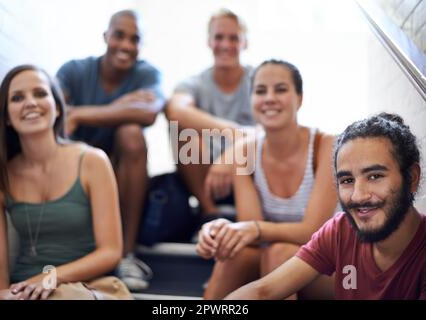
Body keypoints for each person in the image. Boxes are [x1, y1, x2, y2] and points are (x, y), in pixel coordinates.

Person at [225, 113, 426, 300]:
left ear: (411, 178)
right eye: (347, 180)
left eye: (375, 176)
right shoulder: (341, 230)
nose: (358, 195)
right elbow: (263, 291)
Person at [0, 65, 130, 300]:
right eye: (18, 97)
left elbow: (110, 252)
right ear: (6, 117)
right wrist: (2, 295)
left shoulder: (92, 161)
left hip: (91, 288)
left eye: (40, 93)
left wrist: (50, 277)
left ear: (57, 108)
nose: (30, 102)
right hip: (26, 290)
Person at [196, 59, 338, 299]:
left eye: (280, 89)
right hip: (272, 263)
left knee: (280, 253)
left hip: (333, 267)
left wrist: (253, 229)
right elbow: (251, 230)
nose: (269, 98)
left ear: (299, 98)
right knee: (235, 254)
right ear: (251, 101)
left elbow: (314, 231)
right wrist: (221, 230)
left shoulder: (327, 145)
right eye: (261, 91)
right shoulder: (244, 152)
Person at [56, 10, 165, 291]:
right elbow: (58, 117)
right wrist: (122, 105)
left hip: (120, 171)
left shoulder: (147, 73)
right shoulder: (74, 70)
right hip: (76, 169)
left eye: (135, 39)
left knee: (131, 134)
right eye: (120, 35)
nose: (127, 45)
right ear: (106, 36)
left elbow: (150, 112)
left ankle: (126, 255)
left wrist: (79, 113)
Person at [166, 8, 255, 217]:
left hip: (251, 168)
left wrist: (231, 156)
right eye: (219, 37)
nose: (225, 44)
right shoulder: (193, 83)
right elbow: (175, 110)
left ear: (245, 42)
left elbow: (275, 128)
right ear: (209, 41)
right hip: (205, 173)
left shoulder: (259, 80)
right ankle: (210, 213)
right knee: (181, 131)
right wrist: (234, 132)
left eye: (233, 38)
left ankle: (251, 215)